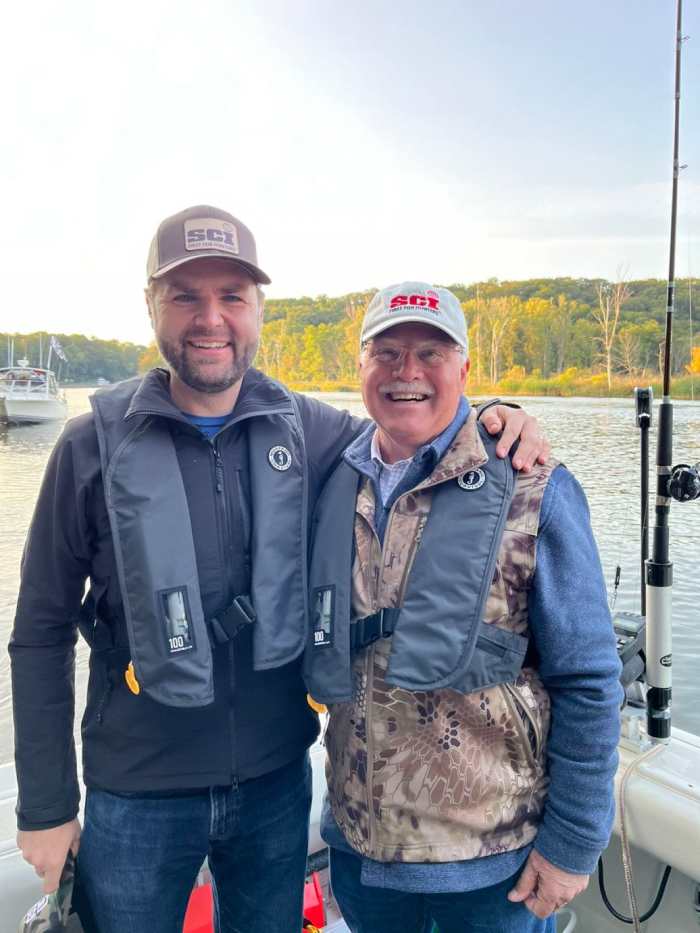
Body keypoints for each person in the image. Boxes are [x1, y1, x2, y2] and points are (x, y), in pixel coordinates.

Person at [9, 208, 548, 933]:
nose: (210, 319)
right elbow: (40, 630)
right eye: (184, 295)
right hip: (135, 796)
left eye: (231, 295)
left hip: (274, 788)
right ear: (149, 305)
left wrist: (500, 417)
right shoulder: (87, 447)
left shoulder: (316, 433)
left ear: (259, 308)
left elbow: (418, 427)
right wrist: (47, 804)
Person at [304, 282, 623, 933]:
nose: (408, 372)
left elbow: (589, 678)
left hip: (494, 867)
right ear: (359, 366)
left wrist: (572, 844)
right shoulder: (329, 478)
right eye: (386, 352)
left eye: (431, 352)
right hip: (361, 852)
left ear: (465, 369)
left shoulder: (537, 486)